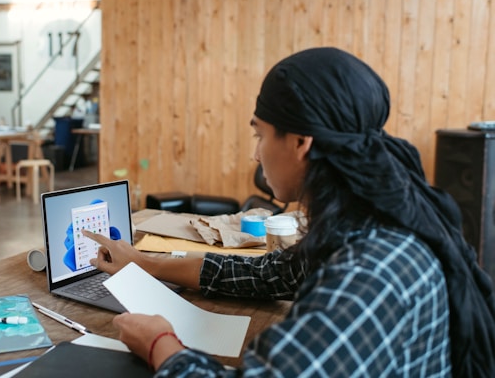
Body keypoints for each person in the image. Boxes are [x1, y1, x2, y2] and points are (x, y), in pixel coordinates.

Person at [83, 47, 495, 377]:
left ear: (301, 142)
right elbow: (267, 273)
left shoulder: (369, 272)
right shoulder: (363, 224)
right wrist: (142, 262)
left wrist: (160, 345)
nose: (256, 152)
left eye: (260, 134)